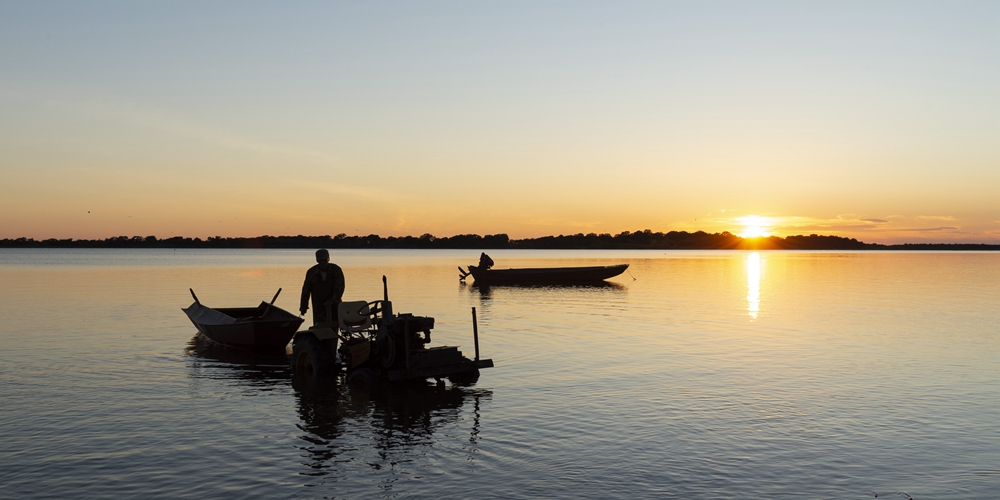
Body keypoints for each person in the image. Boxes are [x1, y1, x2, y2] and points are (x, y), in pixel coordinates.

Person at [300, 249, 345, 326]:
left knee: (334, 327)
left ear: (328, 259)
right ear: (317, 260)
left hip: (334, 305)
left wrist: (332, 301)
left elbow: (340, 287)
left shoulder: (336, 270)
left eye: (325, 260)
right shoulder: (311, 272)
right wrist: (303, 307)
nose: (323, 263)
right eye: (321, 260)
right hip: (318, 306)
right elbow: (306, 291)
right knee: (319, 327)